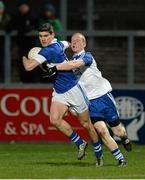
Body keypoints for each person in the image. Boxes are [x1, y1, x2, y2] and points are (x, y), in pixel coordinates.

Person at [43, 32, 131, 167]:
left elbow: (77, 64)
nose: (74, 43)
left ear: (84, 44)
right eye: (72, 41)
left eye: (78, 40)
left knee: (117, 130)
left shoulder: (87, 56)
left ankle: (124, 138)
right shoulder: (68, 61)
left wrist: (54, 68)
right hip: (89, 102)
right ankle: (121, 159)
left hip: (103, 97)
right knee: (101, 131)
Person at [22, 23, 103, 165]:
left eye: (46, 36)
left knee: (86, 124)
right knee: (54, 120)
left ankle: (99, 154)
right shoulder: (59, 44)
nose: (43, 39)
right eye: (41, 36)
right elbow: (67, 43)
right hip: (59, 91)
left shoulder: (46, 52)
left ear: (52, 35)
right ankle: (80, 143)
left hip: (73, 90)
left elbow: (28, 67)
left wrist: (24, 57)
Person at [12, 1, 39, 83]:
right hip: (21, 45)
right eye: (21, 7)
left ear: (28, 7)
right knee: (22, 63)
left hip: (32, 46)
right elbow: (12, 25)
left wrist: (30, 29)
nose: (23, 9)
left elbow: (38, 27)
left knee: (34, 62)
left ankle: (33, 82)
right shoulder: (17, 17)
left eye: (25, 7)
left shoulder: (33, 16)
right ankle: (23, 81)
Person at [0, 0, 11, 82]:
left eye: (1, 8)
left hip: (3, 43)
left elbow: (9, 26)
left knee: (3, 61)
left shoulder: (7, 17)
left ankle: (3, 80)